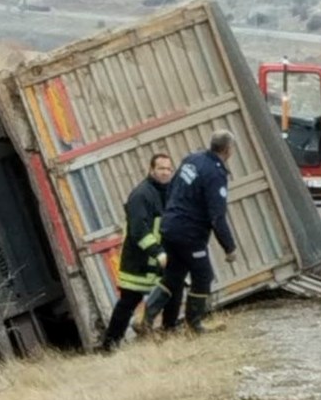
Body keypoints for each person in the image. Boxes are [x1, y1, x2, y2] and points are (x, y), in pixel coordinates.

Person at [140, 130, 239, 334]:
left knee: (173, 276)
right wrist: (229, 247)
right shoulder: (215, 174)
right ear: (228, 150)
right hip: (189, 234)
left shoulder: (192, 159)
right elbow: (217, 216)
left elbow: (172, 187)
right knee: (203, 276)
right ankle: (194, 325)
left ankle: (146, 320)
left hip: (170, 227)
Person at [101, 154, 174, 351]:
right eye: (161, 168)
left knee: (171, 290)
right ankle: (110, 345)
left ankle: (163, 330)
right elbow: (138, 229)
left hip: (159, 258)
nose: (166, 172)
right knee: (129, 301)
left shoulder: (168, 191)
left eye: (169, 169)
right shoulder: (141, 195)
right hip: (140, 260)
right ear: (151, 170)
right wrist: (158, 253)